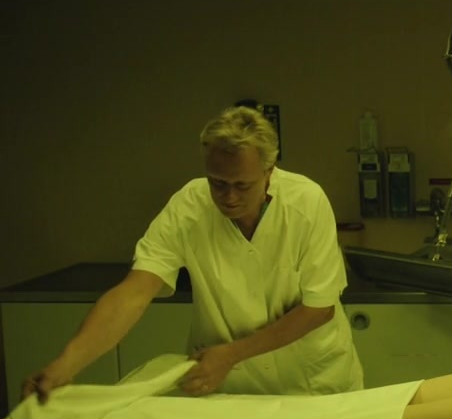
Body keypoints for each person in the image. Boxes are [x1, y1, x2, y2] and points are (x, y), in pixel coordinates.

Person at [21, 106, 364, 401]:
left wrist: (231, 355)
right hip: (228, 386)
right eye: (218, 183)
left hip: (311, 383)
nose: (229, 197)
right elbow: (133, 293)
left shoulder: (306, 203)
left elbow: (318, 309)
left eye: (242, 185)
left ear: (269, 172)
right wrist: (65, 365)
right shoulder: (189, 208)